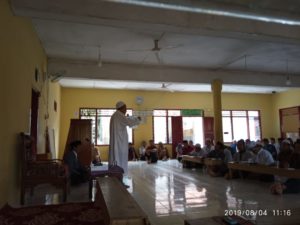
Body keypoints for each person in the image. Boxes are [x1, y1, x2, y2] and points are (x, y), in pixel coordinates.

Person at [108, 101, 141, 183]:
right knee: (120, 160)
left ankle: (118, 181)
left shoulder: (115, 115)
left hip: (117, 142)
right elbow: (129, 122)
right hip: (119, 143)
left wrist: (131, 118)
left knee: (116, 159)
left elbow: (126, 120)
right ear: (121, 108)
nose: (126, 110)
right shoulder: (119, 115)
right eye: (125, 108)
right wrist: (138, 119)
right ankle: (119, 182)